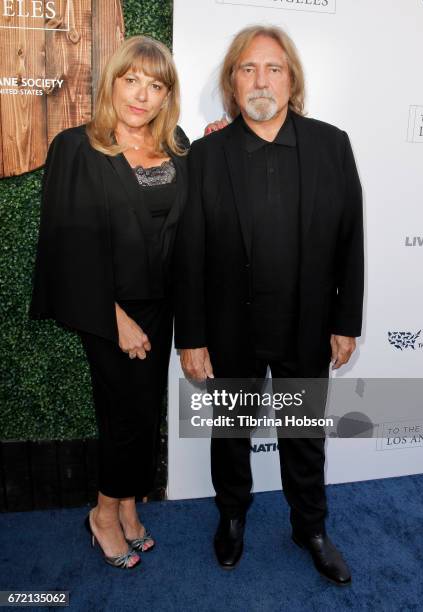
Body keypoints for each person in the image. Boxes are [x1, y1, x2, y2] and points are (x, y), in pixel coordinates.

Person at [174, 25, 364, 585]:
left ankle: (311, 527)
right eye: (248, 69)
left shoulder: (332, 145)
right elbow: (190, 254)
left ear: (292, 79)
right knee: (231, 430)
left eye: (273, 68)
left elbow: (350, 239)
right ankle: (231, 516)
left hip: (306, 326)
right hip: (231, 328)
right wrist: (191, 335)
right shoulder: (207, 155)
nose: (262, 79)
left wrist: (344, 321)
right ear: (233, 83)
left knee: (303, 434)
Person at [30, 36, 190, 569]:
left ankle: (125, 505)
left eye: (156, 85)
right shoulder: (77, 147)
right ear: (113, 82)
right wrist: (113, 316)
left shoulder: (178, 145)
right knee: (122, 414)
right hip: (109, 308)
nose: (142, 95)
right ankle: (103, 515)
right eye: (132, 80)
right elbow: (67, 241)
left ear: (167, 95)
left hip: (161, 305)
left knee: (144, 414)